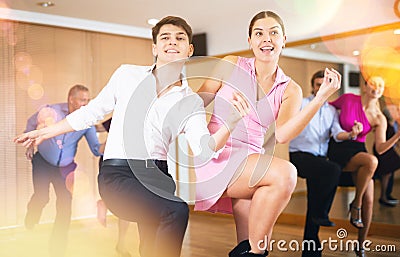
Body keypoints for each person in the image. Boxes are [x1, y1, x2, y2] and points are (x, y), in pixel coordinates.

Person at [15, 16, 250, 257]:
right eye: (165, 37)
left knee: (150, 246)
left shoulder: (190, 102)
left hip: (159, 177)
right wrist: (46, 131)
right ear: (154, 47)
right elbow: (92, 112)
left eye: (180, 38)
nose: (172, 42)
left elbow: (204, 149)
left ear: (189, 49)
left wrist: (231, 121)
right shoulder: (127, 75)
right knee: (177, 210)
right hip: (118, 175)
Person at [194, 11, 341, 257]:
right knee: (285, 173)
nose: (266, 39)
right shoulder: (230, 64)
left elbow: (283, 134)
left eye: (273, 32)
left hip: (251, 164)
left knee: (255, 244)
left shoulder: (290, 89)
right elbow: (198, 102)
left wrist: (320, 98)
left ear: (284, 39)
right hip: (216, 154)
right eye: (259, 33)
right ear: (250, 40)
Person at [22, 84, 103, 257]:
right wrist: (29, 142)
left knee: (65, 207)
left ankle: (57, 248)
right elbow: (31, 123)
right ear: (71, 100)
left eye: (88, 100)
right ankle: (31, 219)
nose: (86, 104)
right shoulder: (52, 111)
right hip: (43, 162)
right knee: (42, 197)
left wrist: (114, 142)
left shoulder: (86, 122)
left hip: (66, 169)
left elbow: (96, 149)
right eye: (82, 100)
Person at [328, 76, 400, 256]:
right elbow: (325, 108)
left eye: (381, 85)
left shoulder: (380, 118)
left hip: (359, 152)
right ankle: (355, 204)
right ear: (365, 87)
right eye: (373, 84)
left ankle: (360, 245)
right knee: (372, 161)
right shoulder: (348, 99)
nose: (377, 87)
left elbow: (381, 148)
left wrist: (398, 136)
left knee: (370, 199)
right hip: (339, 148)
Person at [289, 70, 357, 257]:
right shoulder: (302, 104)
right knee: (333, 170)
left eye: (324, 84)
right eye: (318, 84)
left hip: (319, 160)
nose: (321, 88)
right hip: (300, 155)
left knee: (314, 201)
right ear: (313, 86)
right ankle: (323, 214)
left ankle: (311, 249)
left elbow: (336, 133)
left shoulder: (332, 111)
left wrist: (351, 134)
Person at [96, 118, 132, 257]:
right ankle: (104, 201)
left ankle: (121, 243)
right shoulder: (120, 116)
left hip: (130, 164)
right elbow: (97, 128)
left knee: (127, 205)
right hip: (111, 162)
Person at [373, 105, 400, 207]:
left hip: (389, 151)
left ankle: (387, 195)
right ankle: (384, 197)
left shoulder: (392, 124)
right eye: (395, 110)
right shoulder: (384, 124)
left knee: (389, 173)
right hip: (384, 151)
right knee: (386, 173)